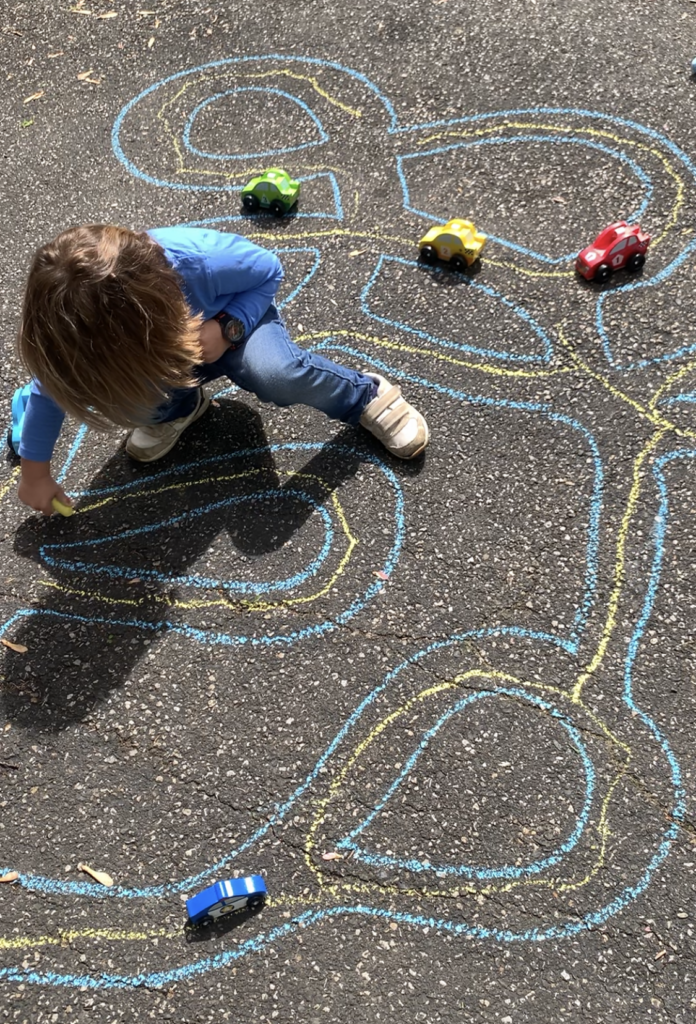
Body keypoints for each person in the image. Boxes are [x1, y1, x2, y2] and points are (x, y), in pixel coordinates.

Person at [14, 225, 429, 515]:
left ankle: (364, 397)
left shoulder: (200, 261)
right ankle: (180, 408)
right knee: (129, 395)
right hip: (165, 355)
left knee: (275, 374)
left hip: (233, 327)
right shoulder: (75, 330)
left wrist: (228, 327)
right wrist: (35, 475)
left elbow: (269, 271)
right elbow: (48, 391)